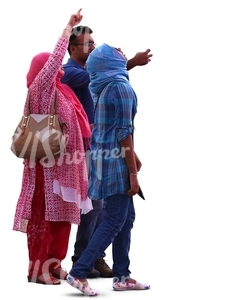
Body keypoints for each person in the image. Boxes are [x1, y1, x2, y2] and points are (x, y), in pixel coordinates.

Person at [61, 25, 153, 278]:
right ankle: (82, 263)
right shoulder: (72, 72)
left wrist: (131, 154)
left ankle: (113, 269)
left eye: (94, 44)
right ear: (72, 48)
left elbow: (115, 126)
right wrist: (129, 62)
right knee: (99, 210)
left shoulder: (107, 81)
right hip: (95, 152)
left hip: (104, 149)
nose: (92, 48)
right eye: (88, 44)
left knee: (117, 215)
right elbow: (122, 128)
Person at [12, 9, 92, 285]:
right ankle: (37, 269)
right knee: (43, 217)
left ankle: (55, 263)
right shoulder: (39, 89)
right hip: (46, 168)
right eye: (51, 65)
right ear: (43, 69)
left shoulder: (62, 91)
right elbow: (56, 59)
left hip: (66, 169)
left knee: (63, 217)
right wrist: (69, 28)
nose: (57, 68)